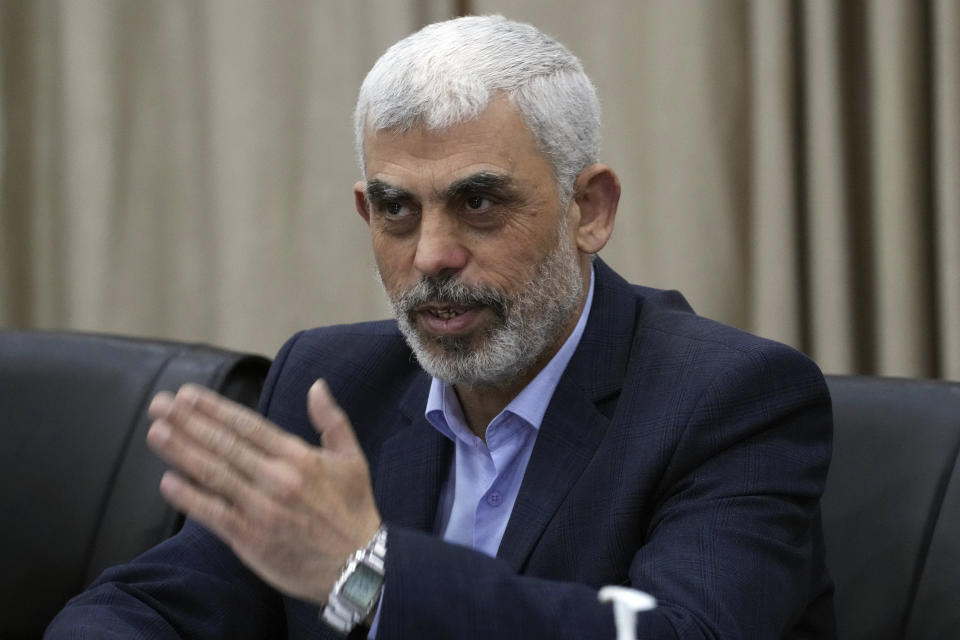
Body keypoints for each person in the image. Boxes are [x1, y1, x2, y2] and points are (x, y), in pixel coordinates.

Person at [47, 14, 834, 639]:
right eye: (396, 209)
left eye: (479, 203)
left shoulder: (727, 400)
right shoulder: (333, 381)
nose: (431, 255)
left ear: (588, 211)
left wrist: (373, 575)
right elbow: (151, 610)